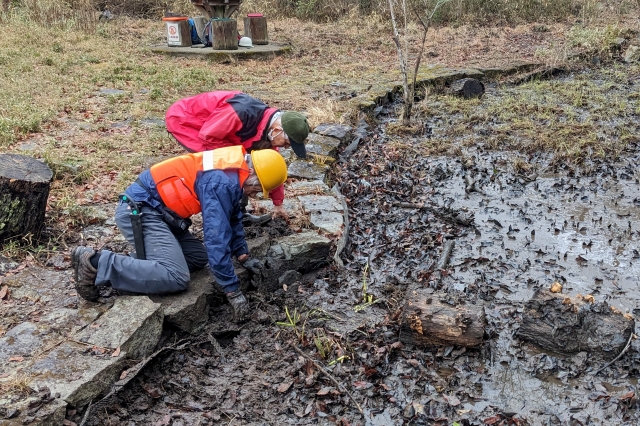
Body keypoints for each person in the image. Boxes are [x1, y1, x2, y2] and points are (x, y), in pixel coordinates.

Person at [72, 146, 287, 321]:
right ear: (253, 175)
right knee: (177, 277)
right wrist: (232, 290)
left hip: (163, 215)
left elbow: (233, 217)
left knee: (198, 258)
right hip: (140, 212)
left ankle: (139, 264)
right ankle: (97, 263)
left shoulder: (234, 169)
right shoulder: (221, 182)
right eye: (257, 189)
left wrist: (242, 255)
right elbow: (216, 237)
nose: (254, 193)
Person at [165, 91, 311, 221]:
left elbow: (273, 168)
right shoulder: (240, 112)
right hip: (187, 122)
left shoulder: (269, 133)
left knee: (245, 166)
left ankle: (239, 213)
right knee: (226, 169)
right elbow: (208, 136)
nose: (286, 146)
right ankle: (219, 216)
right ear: (278, 130)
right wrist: (239, 160)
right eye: (287, 142)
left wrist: (278, 204)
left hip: (214, 132)